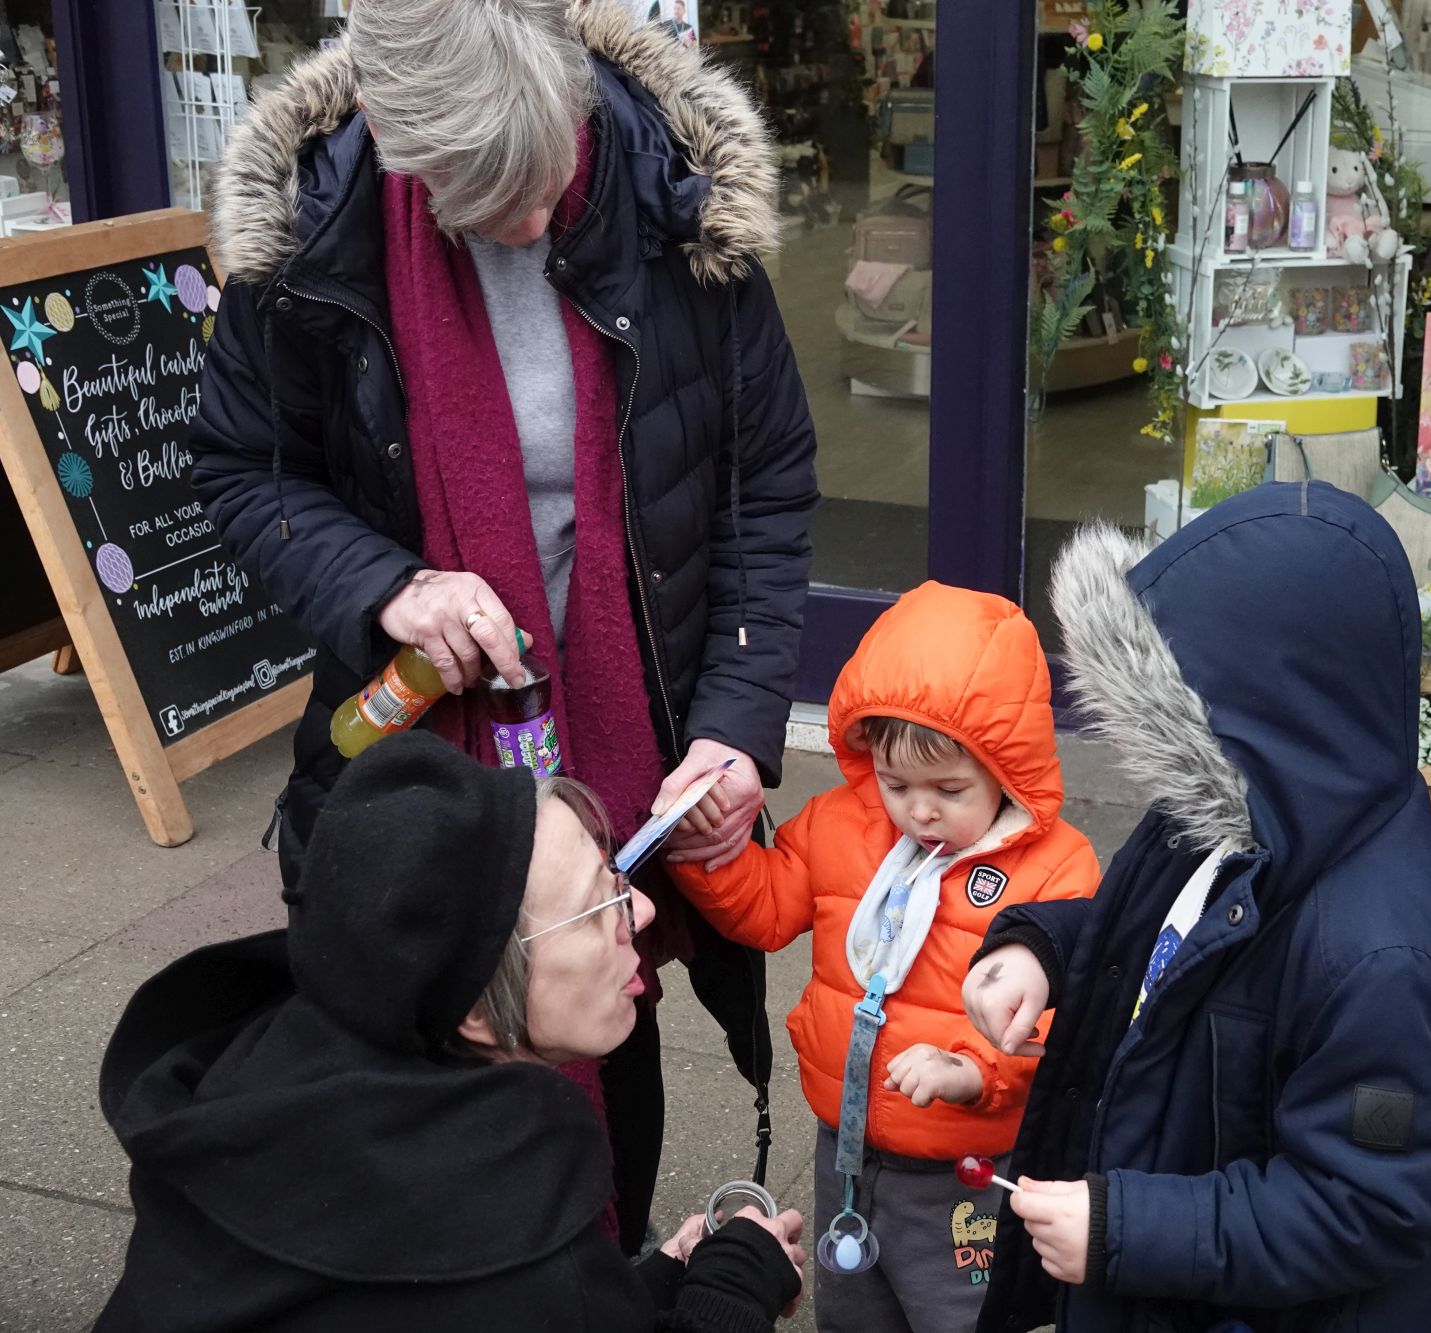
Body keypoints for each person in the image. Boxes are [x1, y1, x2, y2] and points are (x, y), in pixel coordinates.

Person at [190, 0, 817, 1251]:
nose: (526, 224)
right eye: (480, 199)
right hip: (422, 766)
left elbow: (764, 486)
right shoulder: (316, 231)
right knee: (420, 1097)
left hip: (623, 760)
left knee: (602, 1030)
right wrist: (391, 585)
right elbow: (244, 475)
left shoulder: (672, 201)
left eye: (539, 182)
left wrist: (739, 731)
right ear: (393, 139)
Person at [961, 483, 1431, 1333]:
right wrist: (1044, 949)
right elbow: (1163, 936)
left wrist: (1124, 1230)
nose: (1152, 748)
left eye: (1178, 711)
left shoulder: (1385, 963)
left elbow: (1366, 1203)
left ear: (1270, 708)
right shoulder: (1236, 810)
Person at [95, 733, 807, 1332]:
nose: (644, 911)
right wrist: (733, 1287)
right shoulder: (511, 1234)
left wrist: (663, 1275)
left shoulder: (250, 1101)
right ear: (472, 1005)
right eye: (598, 906)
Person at [666, 581, 1100, 1333]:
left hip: (966, 1168)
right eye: (897, 784)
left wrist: (971, 1070)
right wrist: (706, 851)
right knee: (854, 1313)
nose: (920, 810)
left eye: (950, 788)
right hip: (849, 1151)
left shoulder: (1056, 870)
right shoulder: (844, 823)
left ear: (1009, 767)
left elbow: (1063, 1025)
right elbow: (767, 907)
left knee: (963, 1318)